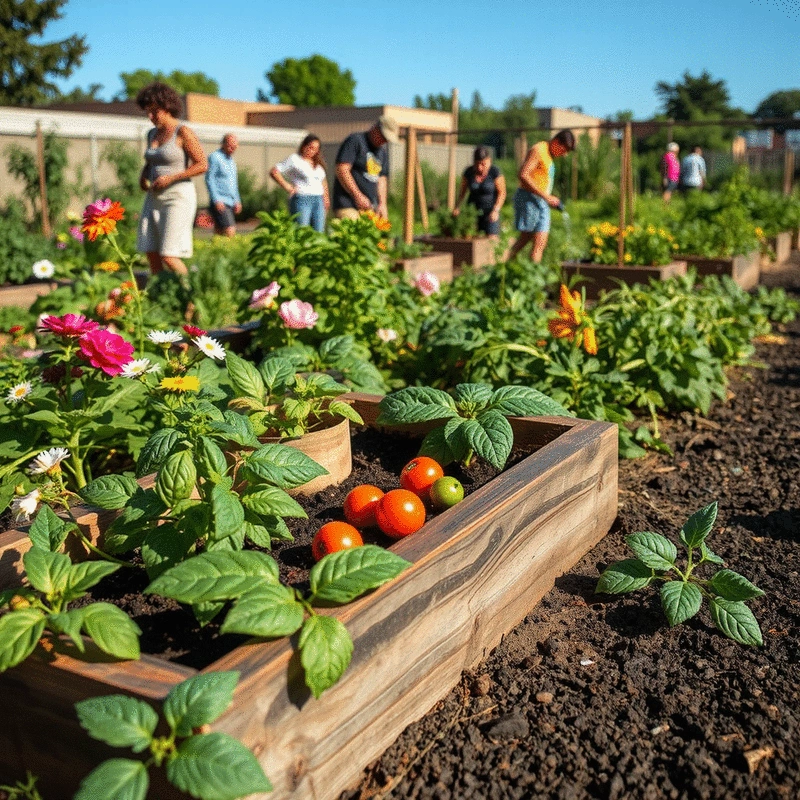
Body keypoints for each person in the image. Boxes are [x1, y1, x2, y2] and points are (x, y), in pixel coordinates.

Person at [135, 82, 207, 276]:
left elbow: (202, 164)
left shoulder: (183, 132)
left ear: (167, 107)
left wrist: (172, 178)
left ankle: (191, 299)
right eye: (147, 112)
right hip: (154, 197)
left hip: (177, 196)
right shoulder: (151, 134)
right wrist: (144, 176)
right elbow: (151, 160)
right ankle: (162, 296)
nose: (150, 117)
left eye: (154, 111)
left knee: (169, 254)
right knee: (151, 252)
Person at [506, 129, 575, 263]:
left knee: (540, 242)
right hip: (529, 199)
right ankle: (506, 269)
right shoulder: (539, 150)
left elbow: (539, 179)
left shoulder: (548, 155)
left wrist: (548, 197)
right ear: (556, 142)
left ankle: (532, 275)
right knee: (526, 238)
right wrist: (546, 196)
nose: (565, 154)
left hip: (540, 201)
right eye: (564, 149)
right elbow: (523, 174)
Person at [332, 116, 399, 220]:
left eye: (387, 140)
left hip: (370, 208)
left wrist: (382, 204)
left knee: (378, 234)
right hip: (348, 205)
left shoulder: (382, 153)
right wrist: (357, 196)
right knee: (354, 232)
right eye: (383, 137)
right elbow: (342, 169)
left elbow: (382, 179)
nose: (384, 141)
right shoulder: (355, 141)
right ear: (376, 129)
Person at [270, 134, 330, 233]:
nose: (312, 151)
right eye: (310, 147)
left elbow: (323, 181)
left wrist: (326, 198)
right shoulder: (294, 159)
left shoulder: (317, 163)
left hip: (318, 200)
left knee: (319, 231)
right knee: (302, 231)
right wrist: (287, 186)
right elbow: (274, 171)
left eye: (315, 149)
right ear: (304, 146)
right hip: (302, 199)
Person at [453, 146, 507, 239]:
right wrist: (457, 207)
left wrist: (496, 210)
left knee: (491, 238)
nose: (480, 167)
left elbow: (502, 193)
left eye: (483, 164)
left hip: (490, 213)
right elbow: (462, 192)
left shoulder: (495, 172)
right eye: (477, 164)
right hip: (473, 212)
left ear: (489, 161)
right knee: (471, 239)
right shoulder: (468, 172)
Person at [205, 134, 242, 237]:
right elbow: (209, 179)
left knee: (219, 232)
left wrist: (237, 200)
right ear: (223, 144)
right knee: (230, 230)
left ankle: (215, 251)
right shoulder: (215, 157)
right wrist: (216, 199)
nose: (232, 149)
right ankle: (230, 251)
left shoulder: (231, 161)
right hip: (221, 200)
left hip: (230, 201)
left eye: (234, 147)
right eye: (230, 146)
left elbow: (233, 183)